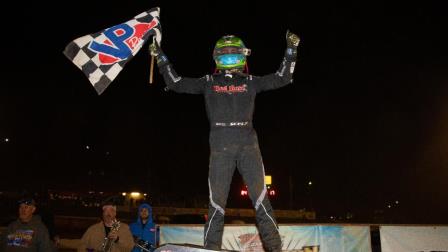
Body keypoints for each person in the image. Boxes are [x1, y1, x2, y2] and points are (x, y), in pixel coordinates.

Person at [150, 30, 300, 252]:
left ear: (243, 56)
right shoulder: (208, 82)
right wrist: (160, 56)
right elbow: (176, 83)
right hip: (221, 150)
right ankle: (210, 249)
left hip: (248, 148)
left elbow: (283, 77)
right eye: (225, 56)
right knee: (216, 206)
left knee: (261, 202)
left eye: (233, 56)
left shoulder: (251, 81)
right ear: (217, 58)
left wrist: (291, 50)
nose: (230, 60)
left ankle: (275, 249)